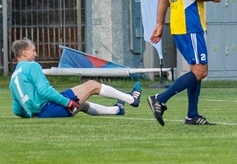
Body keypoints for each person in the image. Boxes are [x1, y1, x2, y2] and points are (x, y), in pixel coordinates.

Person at [148, 0, 222, 125]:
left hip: (178, 25)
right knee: (201, 71)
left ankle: (192, 115)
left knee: (195, 69)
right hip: (190, 23)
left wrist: (159, 24)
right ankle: (159, 99)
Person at [9, 38, 141, 118]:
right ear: (25, 52)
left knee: (82, 104)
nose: (36, 54)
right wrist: (67, 102)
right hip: (49, 108)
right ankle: (132, 99)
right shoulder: (31, 66)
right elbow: (44, 90)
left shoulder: (13, 78)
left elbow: (17, 109)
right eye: (33, 50)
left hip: (41, 113)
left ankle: (117, 110)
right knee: (92, 85)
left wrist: (32, 116)